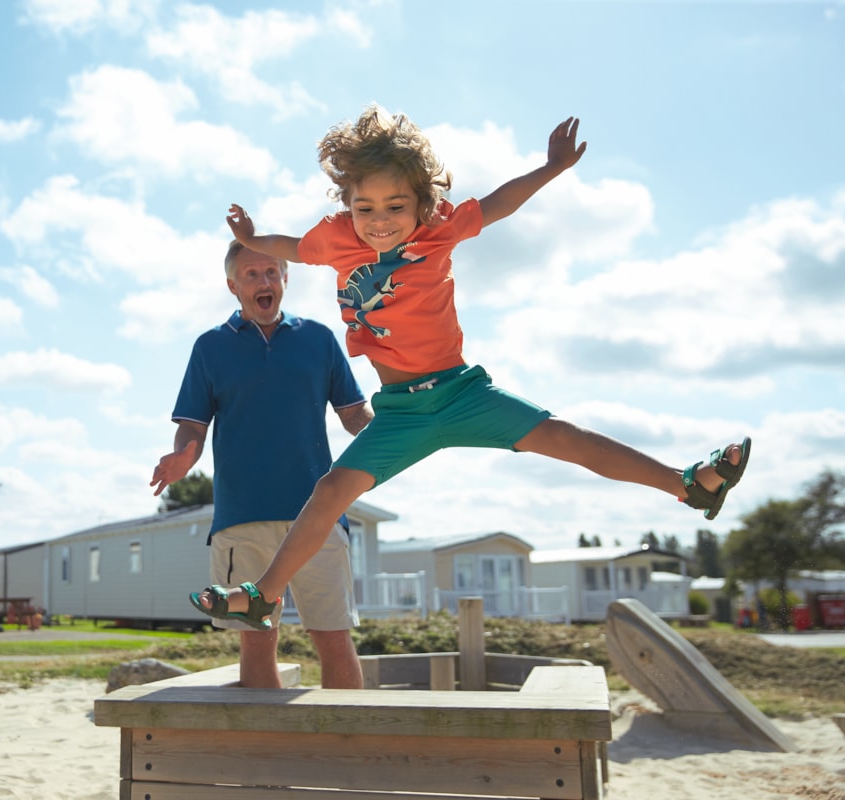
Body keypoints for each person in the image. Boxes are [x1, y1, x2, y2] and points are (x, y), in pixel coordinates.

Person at [192, 105, 751, 630]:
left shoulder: (441, 228)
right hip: (401, 414)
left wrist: (551, 168)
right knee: (329, 492)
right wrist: (250, 238)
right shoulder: (337, 240)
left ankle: (690, 486)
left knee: (566, 438)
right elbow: (289, 246)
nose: (379, 222)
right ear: (348, 205)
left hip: (462, 395)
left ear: (420, 202)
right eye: (365, 209)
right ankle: (265, 595)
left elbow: (500, 203)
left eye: (395, 208)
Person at [151, 240, 374, 689]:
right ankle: (265, 752)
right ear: (233, 286)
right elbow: (193, 426)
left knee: (332, 637)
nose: (264, 282)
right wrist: (184, 456)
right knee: (256, 636)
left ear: (286, 279)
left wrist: (398, 433)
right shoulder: (210, 347)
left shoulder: (318, 339)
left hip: (319, 514)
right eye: (252, 275)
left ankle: (350, 748)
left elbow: (354, 416)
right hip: (240, 516)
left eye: (272, 272)